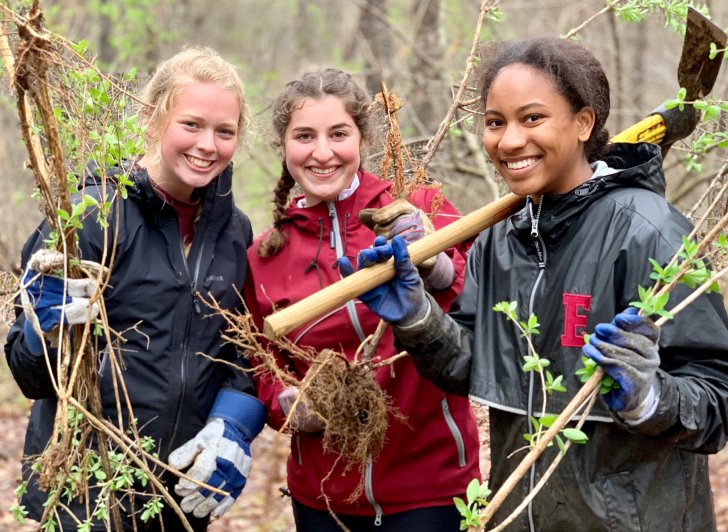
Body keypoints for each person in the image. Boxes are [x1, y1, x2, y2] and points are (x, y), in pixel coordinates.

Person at [341, 38, 728, 531]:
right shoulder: (500, 239)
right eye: (495, 122)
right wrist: (419, 316)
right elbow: (473, 367)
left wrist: (648, 398)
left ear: (583, 123)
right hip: (516, 516)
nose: (508, 141)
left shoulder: (649, 231)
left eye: (532, 118)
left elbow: (717, 399)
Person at [5, 47, 266, 531]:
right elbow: (31, 379)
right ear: (151, 117)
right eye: (191, 124)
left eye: (224, 131)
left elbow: (239, 353)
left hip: (181, 492)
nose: (207, 144)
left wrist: (236, 424)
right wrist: (43, 334)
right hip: (86, 494)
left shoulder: (234, 231)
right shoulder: (92, 217)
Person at [245, 68, 481, 531]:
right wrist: (292, 407)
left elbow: (481, 309)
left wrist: (436, 263)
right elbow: (260, 364)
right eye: (304, 136)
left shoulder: (421, 208)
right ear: (284, 147)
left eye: (338, 134)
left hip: (432, 490)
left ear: (363, 137)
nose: (322, 152)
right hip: (324, 500)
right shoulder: (265, 254)